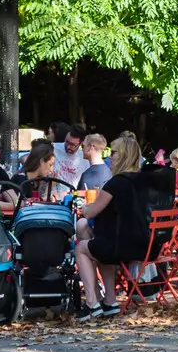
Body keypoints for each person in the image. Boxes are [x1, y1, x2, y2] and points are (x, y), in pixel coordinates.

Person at [71, 136, 165, 318]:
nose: (110, 156)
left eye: (114, 153)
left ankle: (92, 303)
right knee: (95, 241)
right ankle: (109, 301)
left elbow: (90, 213)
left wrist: (84, 207)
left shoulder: (116, 183)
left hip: (123, 248)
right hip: (147, 246)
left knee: (81, 248)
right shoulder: (145, 181)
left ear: (123, 156)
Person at [52, 122, 88, 190]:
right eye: (66, 142)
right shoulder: (53, 148)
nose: (68, 146)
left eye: (72, 144)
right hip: (53, 194)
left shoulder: (84, 158)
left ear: (80, 143)